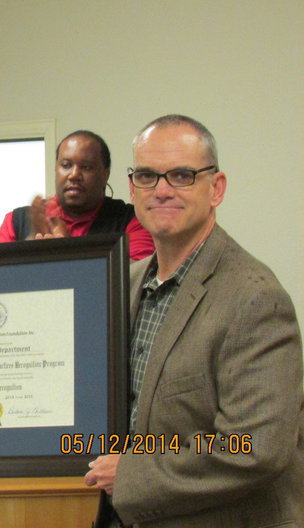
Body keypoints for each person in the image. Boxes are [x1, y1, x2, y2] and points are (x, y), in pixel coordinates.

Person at [84, 115, 303, 527]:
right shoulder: (122, 284)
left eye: (182, 175)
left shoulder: (255, 299)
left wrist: (132, 475)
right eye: (147, 176)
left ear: (216, 188)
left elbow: (256, 448)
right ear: (132, 189)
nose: (162, 190)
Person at [0, 130, 154, 261]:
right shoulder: (16, 221)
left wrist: (68, 250)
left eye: (86, 167)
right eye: (66, 165)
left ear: (105, 175)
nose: (74, 175)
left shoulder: (133, 220)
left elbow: (135, 280)